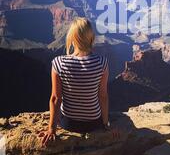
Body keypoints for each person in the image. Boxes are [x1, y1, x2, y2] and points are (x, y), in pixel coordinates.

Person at [40, 17, 119, 146]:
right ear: (91, 38)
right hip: (94, 122)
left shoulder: (58, 63)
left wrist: (51, 129)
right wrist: (106, 124)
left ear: (72, 38)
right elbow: (103, 96)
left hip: (68, 123)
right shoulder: (102, 62)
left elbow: (55, 98)